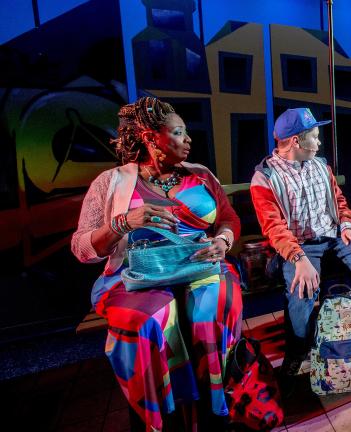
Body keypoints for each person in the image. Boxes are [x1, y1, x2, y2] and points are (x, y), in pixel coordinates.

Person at [71, 96, 243, 431]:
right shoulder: (112, 182)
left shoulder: (201, 175)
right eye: (179, 132)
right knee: (151, 319)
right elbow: (81, 248)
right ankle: (160, 418)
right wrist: (123, 222)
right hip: (138, 276)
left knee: (212, 310)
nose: (189, 139)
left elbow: (229, 219)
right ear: (152, 138)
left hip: (201, 265)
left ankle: (217, 412)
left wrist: (222, 242)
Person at [250, 107, 351, 378]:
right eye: (315, 136)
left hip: (334, 238)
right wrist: (299, 259)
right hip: (300, 246)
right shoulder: (265, 177)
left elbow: (339, 202)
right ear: (297, 141)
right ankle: (297, 353)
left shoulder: (321, 165)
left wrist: (346, 225)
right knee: (301, 288)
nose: (320, 142)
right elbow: (273, 227)